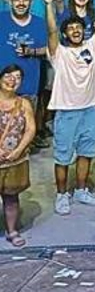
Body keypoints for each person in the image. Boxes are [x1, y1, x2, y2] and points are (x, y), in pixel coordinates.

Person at [42, 0, 95, 215]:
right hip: (66, 111)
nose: (75, 30)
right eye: (71, 28)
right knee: (63, 157)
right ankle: (62, 195)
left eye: (79, 28)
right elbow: (51, 31)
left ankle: (82, 190)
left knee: (87, 153)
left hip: (90, 109)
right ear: (66, 33)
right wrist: (49, 4)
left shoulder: (92, 47)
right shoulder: (59, 53)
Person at [0, 63, 37, 247]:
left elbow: (30, 129)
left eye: (17, 77)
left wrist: (17, 151)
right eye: (8, 76)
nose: (12, 80)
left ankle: (11, 231)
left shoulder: (24, 103)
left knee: (11, 197)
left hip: (15, 160)